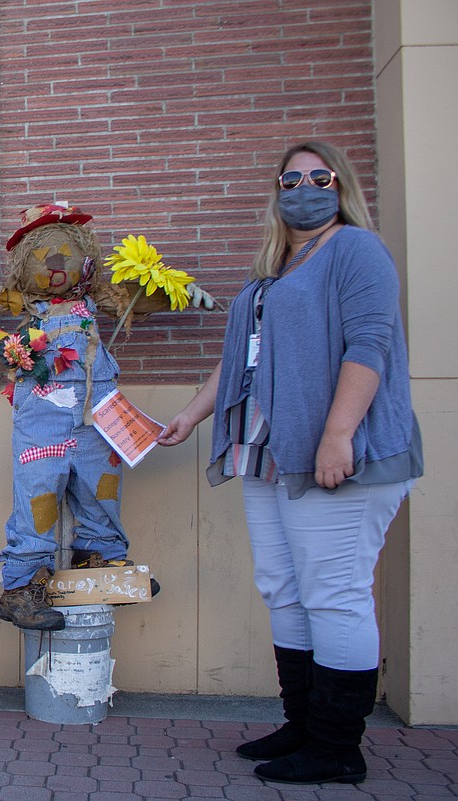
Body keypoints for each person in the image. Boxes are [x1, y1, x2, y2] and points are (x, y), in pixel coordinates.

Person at [158, 142, 422, 785]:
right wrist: (192, 415)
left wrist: (338, 435)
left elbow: (370, 345)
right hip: (265, 453)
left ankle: (337, 747)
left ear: (341, 185)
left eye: (318, 176)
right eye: (291, 178)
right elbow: (243, 360)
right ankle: (303, 725)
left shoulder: (357, 250)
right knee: (285, 589)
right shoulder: (274, 268)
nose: (304, 186)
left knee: (334, 594)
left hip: (334, 453)